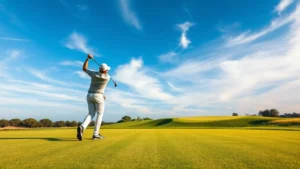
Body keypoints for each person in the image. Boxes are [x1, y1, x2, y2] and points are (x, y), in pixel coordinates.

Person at [77, 54, 110, 141]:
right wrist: (102, 94)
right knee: (100, 114)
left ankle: (82, 126)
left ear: (99, 69)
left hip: (89, 95)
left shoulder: (94, 74)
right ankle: (95, 134)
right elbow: (103, 77)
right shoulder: (107, 77)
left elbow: (84, 69)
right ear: (106, 71)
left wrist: (88, 59)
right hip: (99, 96)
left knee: (91, 113)